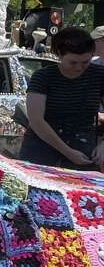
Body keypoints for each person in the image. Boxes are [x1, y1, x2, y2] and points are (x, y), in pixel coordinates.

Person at [20, 27, 104, 170]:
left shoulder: (99, 75)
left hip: (82, 146)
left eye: (85, 62)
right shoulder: (43, 77)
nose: (79, 68)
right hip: (42, 148)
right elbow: (36, 121)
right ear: (59, 54)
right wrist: (68, 152)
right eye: (73, 62)